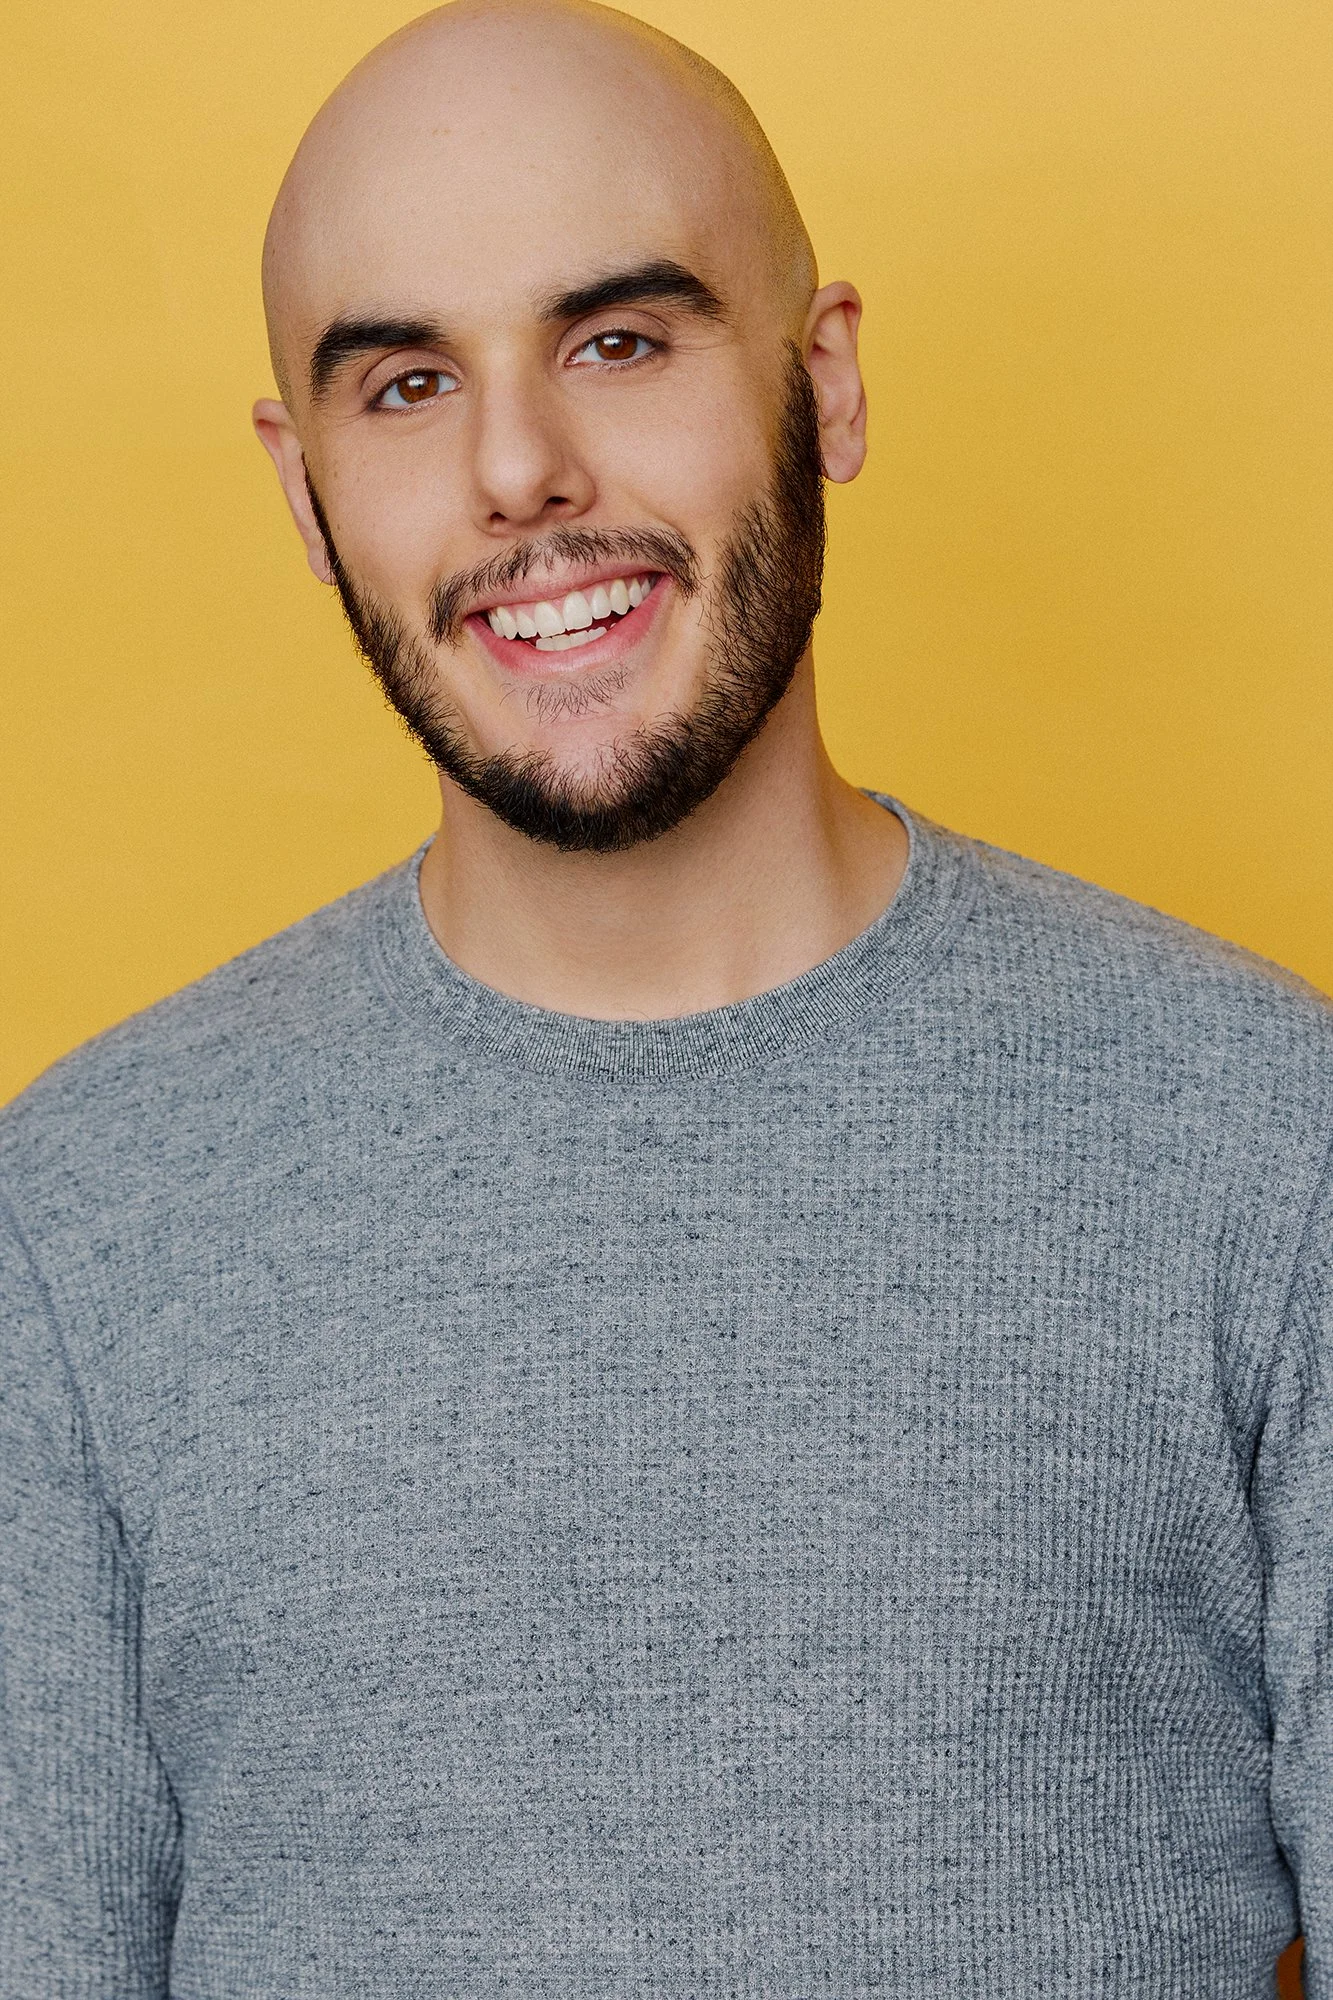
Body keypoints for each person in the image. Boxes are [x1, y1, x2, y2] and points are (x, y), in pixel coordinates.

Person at [1, 0, 1329, 1992]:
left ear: (829, 383)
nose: (521, 467)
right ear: (301, 496)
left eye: (621, 340)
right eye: (405, 382)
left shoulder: (1268, 1143)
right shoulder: (76, 1223)